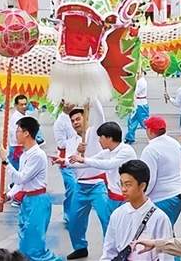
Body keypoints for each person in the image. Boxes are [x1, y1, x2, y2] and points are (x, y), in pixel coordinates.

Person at [0, 116, 60, 261]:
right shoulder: (25, 155)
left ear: (26, 133)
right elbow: (20, 184)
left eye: (18, 130)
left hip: (38, 202)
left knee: (35, 249)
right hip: (27, 201)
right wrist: (9, 195)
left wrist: (5, 161)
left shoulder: (38, 155)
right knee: (25, 246)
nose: (16, 134)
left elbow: (21, 178)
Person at [100, 160, 173, 261]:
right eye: (121, 184)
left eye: (128, 184)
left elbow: (166, 256)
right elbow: (109, 251)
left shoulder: (160, 218)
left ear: (142, 186)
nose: (123, 189)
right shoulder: (117, 214)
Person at [64, 108, 110, 260]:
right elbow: (70, 163)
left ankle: (110, 250)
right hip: (80, 186)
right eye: (73, 121)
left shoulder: (95, 132)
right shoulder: (71, 141)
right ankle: (80, 247)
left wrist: (93, 94)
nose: (75, 122)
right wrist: (77, 152)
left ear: (85, 119)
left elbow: (99, 114)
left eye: (78, 119)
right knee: (74, 221)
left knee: (107, 219)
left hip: (98, 185)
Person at [76, 121, 137, 213]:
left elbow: (108, 164)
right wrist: (67, 161)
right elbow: (89, 162)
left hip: (125, 199)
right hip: (112, 197)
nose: (99, 141)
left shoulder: (126, 151)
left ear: (109, 138)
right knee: (111, 225)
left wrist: (84, 160)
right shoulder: (107, 152)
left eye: (101, 137)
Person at [140, 116, 181, 226]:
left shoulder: (150, 150)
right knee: (167, 229)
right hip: (178, 195)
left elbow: (149, 179)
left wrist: (142, 196)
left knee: (158, 234)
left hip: (161, 198)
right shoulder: (174, 143)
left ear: (150, 131)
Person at [52, 101, 77, 224]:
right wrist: (76, 141)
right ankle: (68, 214)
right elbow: (61, 143)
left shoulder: (77, 116)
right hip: (65, 160)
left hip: (79, 158)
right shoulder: (60, 122)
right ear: (62, 103)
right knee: (72, 187)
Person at [125, 70, 149, 144]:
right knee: (131, 120)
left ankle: (154, 136)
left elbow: (135, 92)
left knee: (145, 123)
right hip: (136, 103)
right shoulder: (138, 80)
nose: (137, 74)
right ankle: (130, 137)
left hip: (141, 105)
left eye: (138, 72)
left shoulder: (142, 82)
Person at [8, 95, 29, 170]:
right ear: (16, 105)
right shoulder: (15, 118)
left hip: (24, 147)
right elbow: (14, 135)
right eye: (21, 104)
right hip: (17, 148)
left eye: (25, 104)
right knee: (19, 173)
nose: (24, 106)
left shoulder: (25, 115)